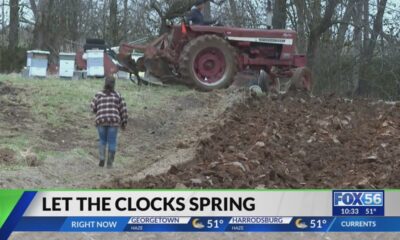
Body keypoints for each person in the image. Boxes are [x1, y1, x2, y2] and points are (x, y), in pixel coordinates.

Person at [91, 76, 127, 169]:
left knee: (102, 140)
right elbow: (123, 110)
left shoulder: (98, 94)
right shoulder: (118, 95)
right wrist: (124, 122)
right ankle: (110, 163)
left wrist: (99, 112)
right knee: (112, 142)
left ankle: (102, 158)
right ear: (114, 84)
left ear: (105, 83)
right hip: (114, 121)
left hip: (101, 120)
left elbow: (92, 107)